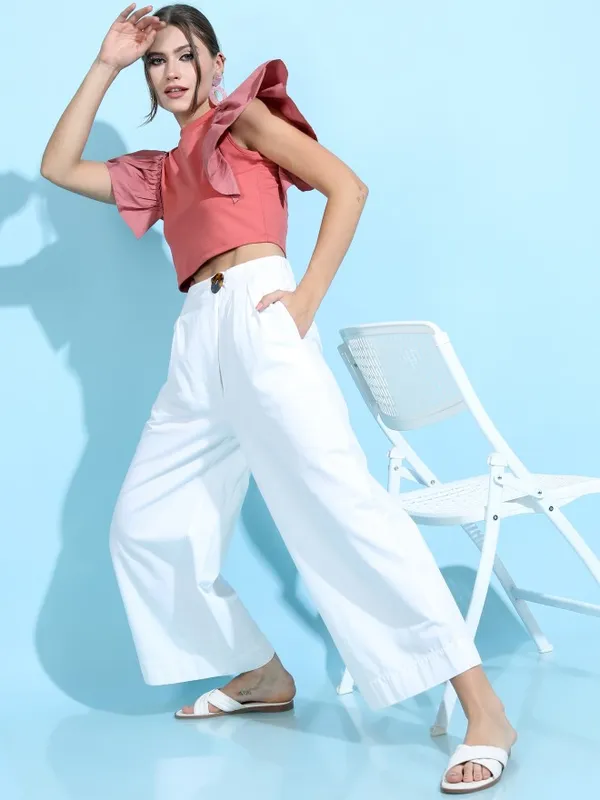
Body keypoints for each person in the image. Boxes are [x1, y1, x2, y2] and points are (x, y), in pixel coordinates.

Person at [40, 3, 517, 793]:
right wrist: (105, 64)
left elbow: (347, 188)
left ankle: (484, 709)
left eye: (185, 54)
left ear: (216, 64)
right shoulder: (157, 172)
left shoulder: (244, 121)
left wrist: (304, 303)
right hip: (196, 340)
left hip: (260, 318)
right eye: (157, 61)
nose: (172, 70)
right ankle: (259, 671)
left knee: (343, 508)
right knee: (144, 525)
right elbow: (58, 167)